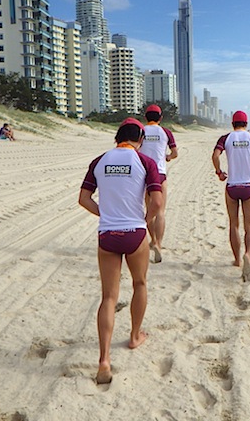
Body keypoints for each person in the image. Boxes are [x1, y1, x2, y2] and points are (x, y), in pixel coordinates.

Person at [78, 118, 163, 384]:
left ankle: (104, 359)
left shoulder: (99, 161)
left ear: (118, 137)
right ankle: (135, 336)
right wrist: (145, 220)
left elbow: (83, 199)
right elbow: (157, 201)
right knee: (140, 283)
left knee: (108, 297)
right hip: (135, 232)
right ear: (140, 139)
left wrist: (106, 214)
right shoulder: (145, 162)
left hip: (108, 234)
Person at [212, 111, 250, 282]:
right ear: (246, 123)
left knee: (234, 224)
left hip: (232, 185)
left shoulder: (226, 138)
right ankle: (248, 254)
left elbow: (215, 156)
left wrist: (219, 172)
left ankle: (237, 259)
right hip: (248, 185)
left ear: (233, 124)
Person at [138, 104, 178, 263]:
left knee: (149, 209)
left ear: (145, 117)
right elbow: (175, 153)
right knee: (160, 211)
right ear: (160, 118)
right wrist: (167, 157)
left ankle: (153, 239)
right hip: (160, 174)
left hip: (143, 174)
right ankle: (158, 244)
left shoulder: (141, 130)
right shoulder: (166, 132)